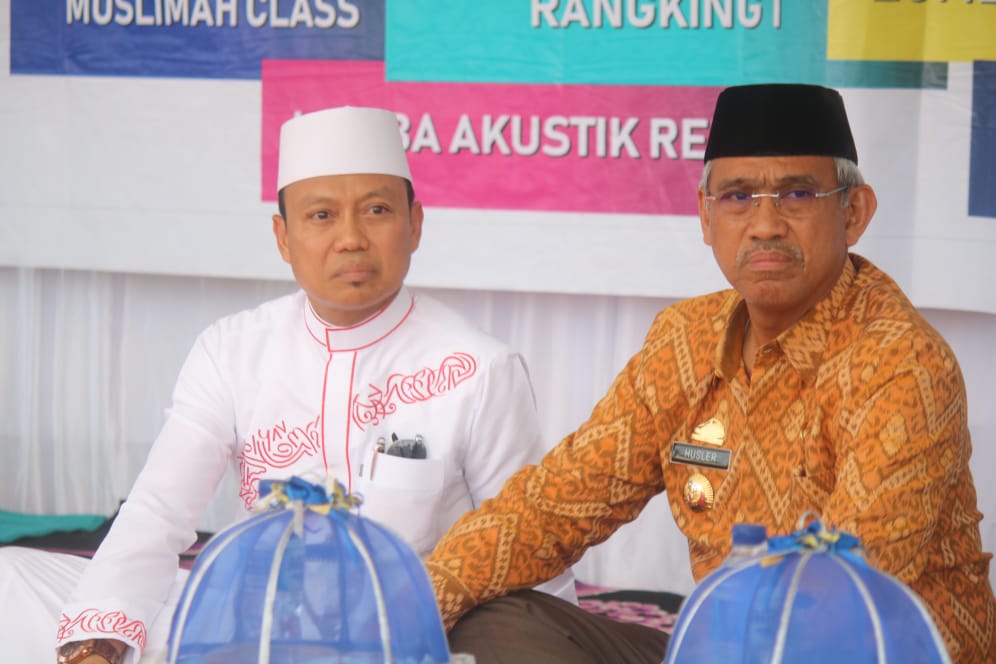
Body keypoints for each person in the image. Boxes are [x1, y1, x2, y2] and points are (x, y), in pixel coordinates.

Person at [422, 84, 996, 663]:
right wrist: (415, 604)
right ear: (705, 214)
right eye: (738, 196)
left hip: (866, 652)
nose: (765, 225)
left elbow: (843, 596)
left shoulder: (900, 362)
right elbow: (552, 508)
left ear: (854, 213)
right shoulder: (684, 340)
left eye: (797, 194)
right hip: (722, 650)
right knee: (489, 621)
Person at [0, 106, 575, 663]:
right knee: (13, 579)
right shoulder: (231, 350)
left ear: (415, 224)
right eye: (322, 216)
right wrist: (97, 646)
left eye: (376, 210)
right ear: (283, 237)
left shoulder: (478, 367)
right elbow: (158, 511)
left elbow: (528, 548)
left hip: (403, 634)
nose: (351, 239)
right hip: (255, 622)